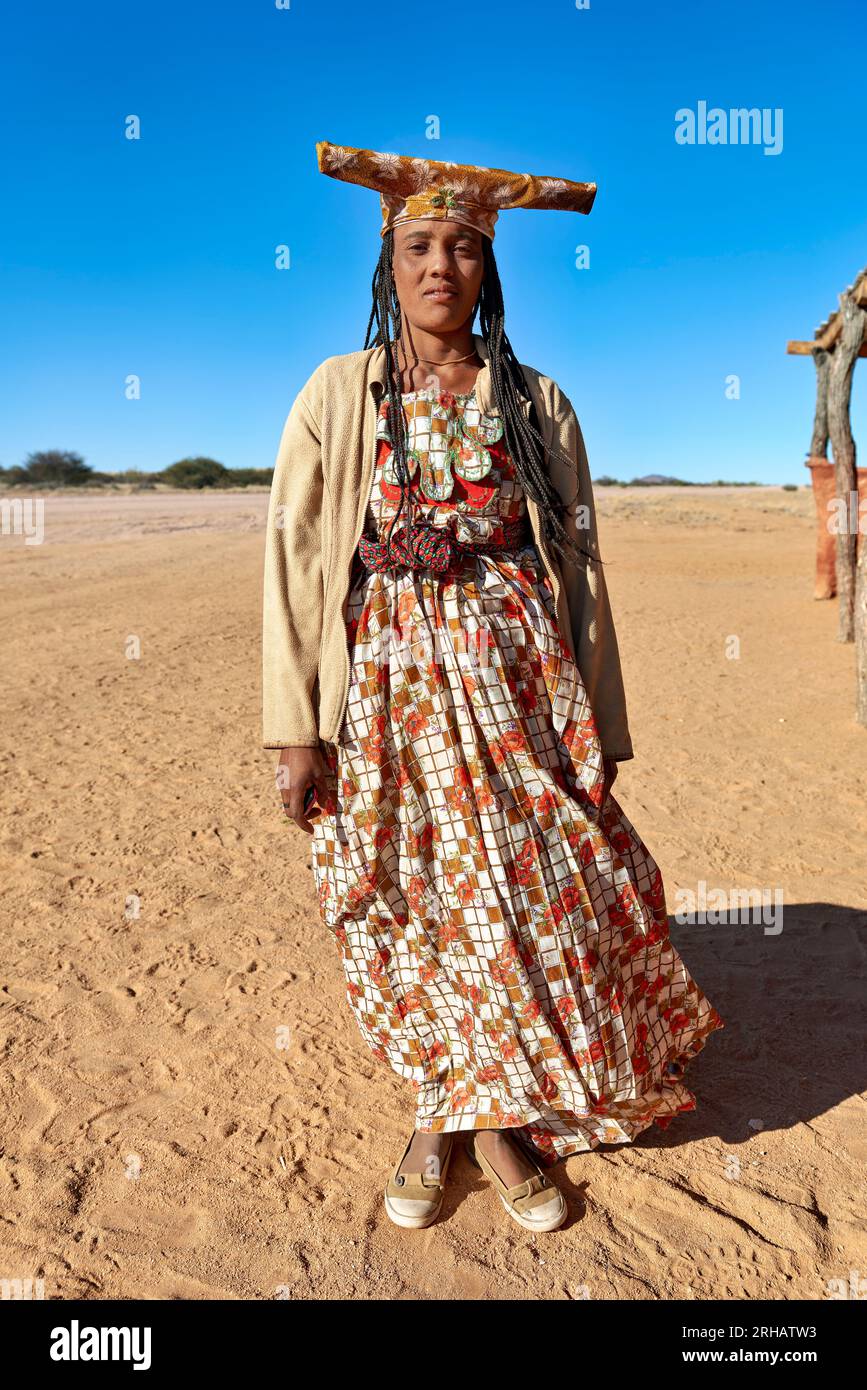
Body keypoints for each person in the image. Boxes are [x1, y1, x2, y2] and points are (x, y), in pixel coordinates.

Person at [262, 141, 725, 1233]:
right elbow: (289, 558)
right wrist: (294, 727)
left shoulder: (535, 399)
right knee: (414, 898)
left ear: (489, 269)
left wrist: (598, 721)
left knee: (530, 892)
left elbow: (583, 563)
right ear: (388, 261)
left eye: (463, 247)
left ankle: (502, 1113)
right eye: (419, 245)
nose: (441, 266)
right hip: (384, 696)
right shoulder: (339, 393)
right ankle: (450, 1115)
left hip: (520, 691)